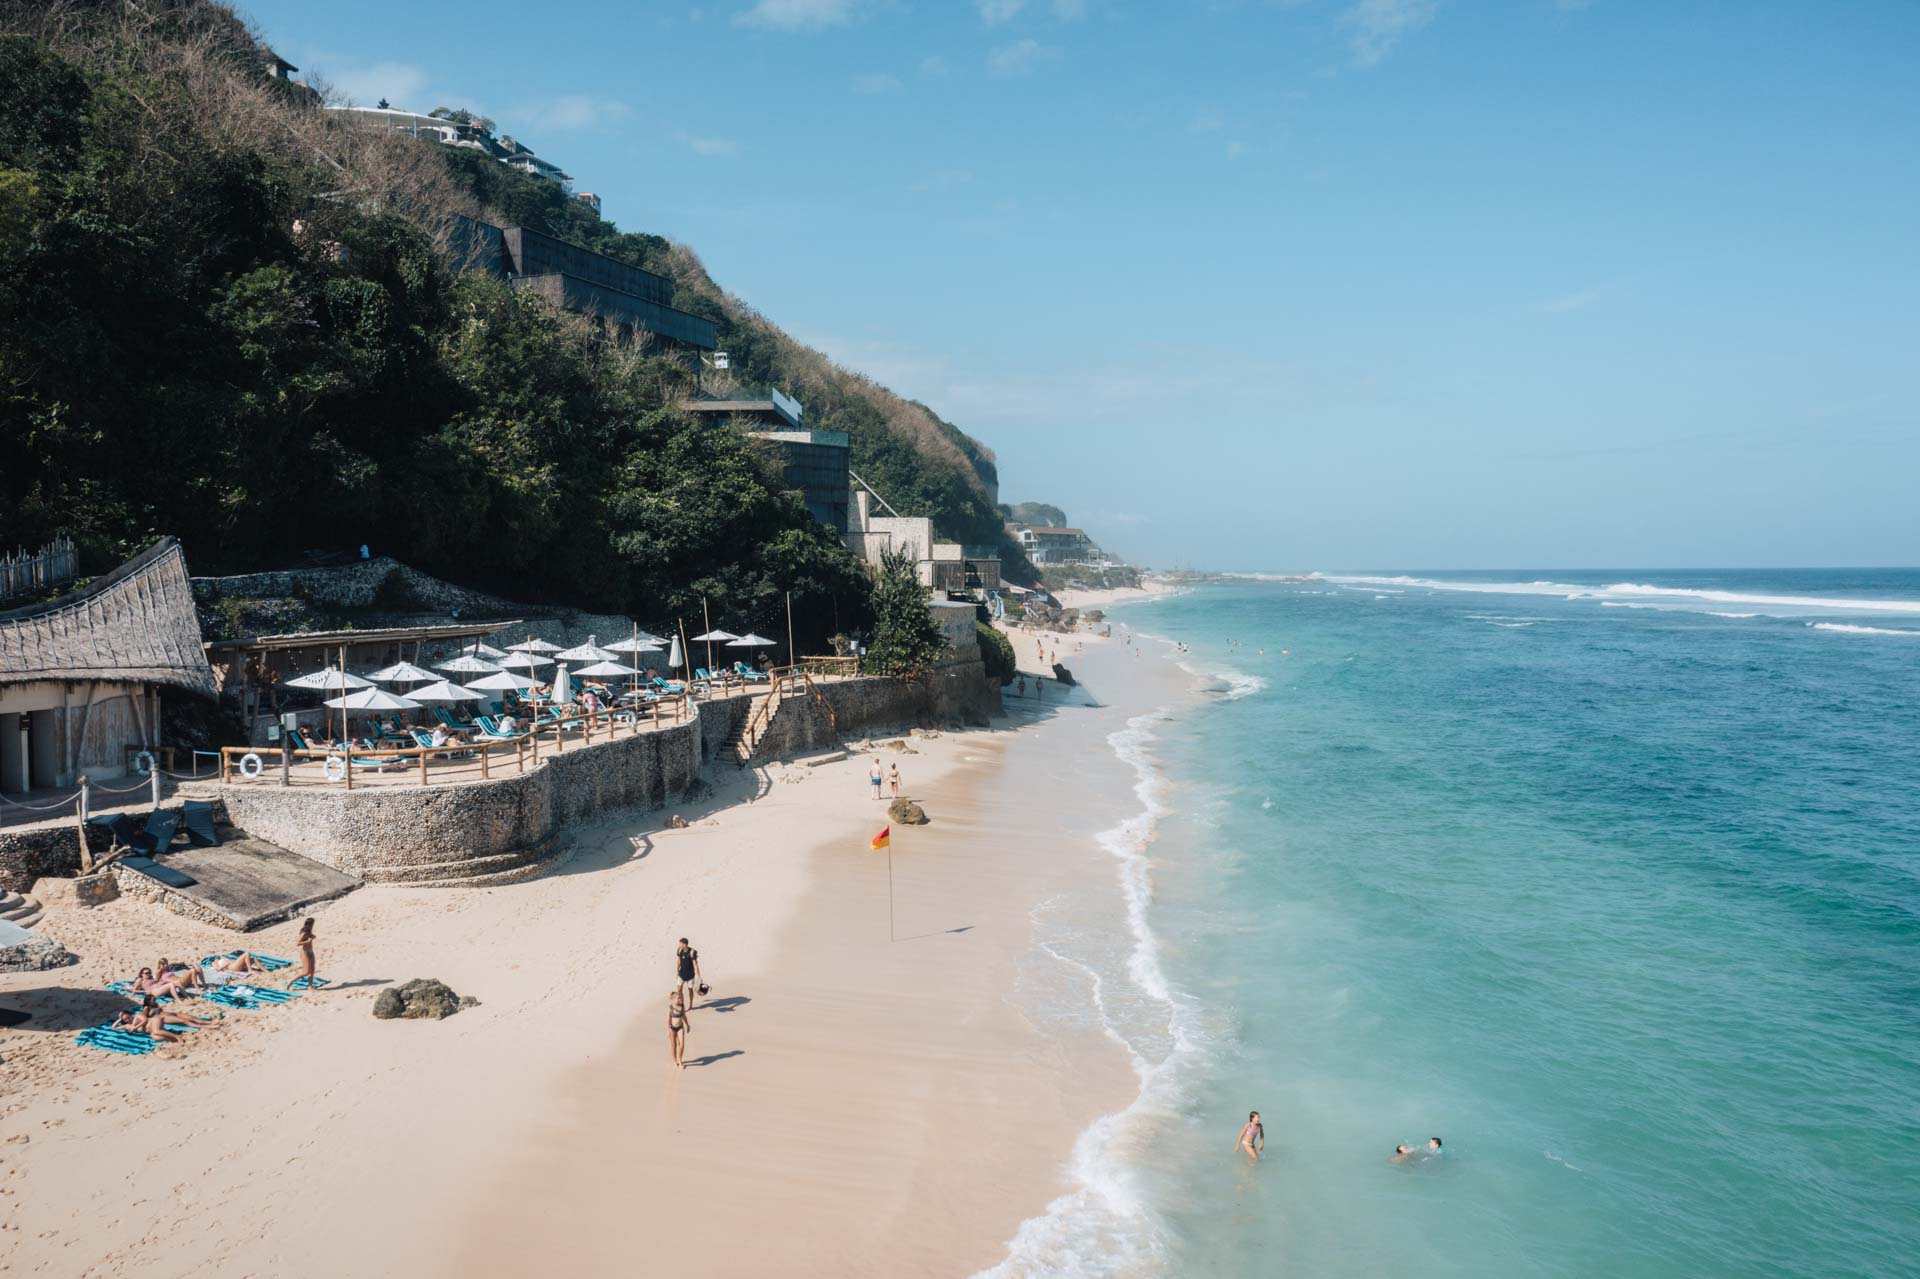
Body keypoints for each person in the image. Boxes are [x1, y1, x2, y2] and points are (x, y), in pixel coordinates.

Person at [667, 987, 692, 1068]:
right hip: (672, 1028)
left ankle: (680, 1060)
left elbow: (684, 1016)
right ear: (673, 999)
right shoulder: (670, 1007)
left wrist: (687, 1025)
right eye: (678, 998)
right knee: (673, 1045)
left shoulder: (682, 1006)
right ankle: (675, 1061)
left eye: (680, 998)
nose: (680, 999)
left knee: (682, 1045)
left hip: (680, 1027)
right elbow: (668, 1019)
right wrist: (668, 1029)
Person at [675, 938, 703, 1008]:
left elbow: (695, 964)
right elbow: (678, 961)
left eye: (680, 944)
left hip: (690, 975)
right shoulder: (679, 950)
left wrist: (698, 975)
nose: (679, 945)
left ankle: (690, 1004)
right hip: (681, 974)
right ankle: (682, 1004)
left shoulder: (692, 952)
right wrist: (677, 970)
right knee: (679, 990)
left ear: (685, 945)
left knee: (690, 989)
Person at [290, 918, 317, 990]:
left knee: (312, 970)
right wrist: (308, 942)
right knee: (306, 972)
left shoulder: (309, 931)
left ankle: (310, 986)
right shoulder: (304, 932)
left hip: (311, 951)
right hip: (305, 952)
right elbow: (298, 943)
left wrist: (313, 937)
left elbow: (311, 936)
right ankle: (291, 981)